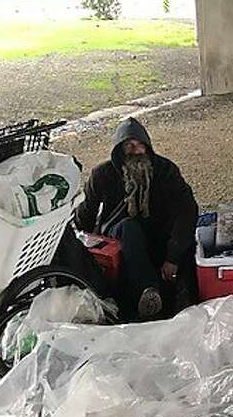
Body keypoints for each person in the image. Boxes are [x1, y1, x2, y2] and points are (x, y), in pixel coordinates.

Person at [75, 117, 198, 319]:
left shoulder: (166, 171)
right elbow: (85, 215)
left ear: (148, 147)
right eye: (129, 146)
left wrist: (173, 256)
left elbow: (187, 210)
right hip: (120, 236)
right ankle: (148, 290)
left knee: (188, 245)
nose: (135, 151)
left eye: (140, 145)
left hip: (158, 238)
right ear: (119, 150)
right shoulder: (102, 174)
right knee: (129, 226)